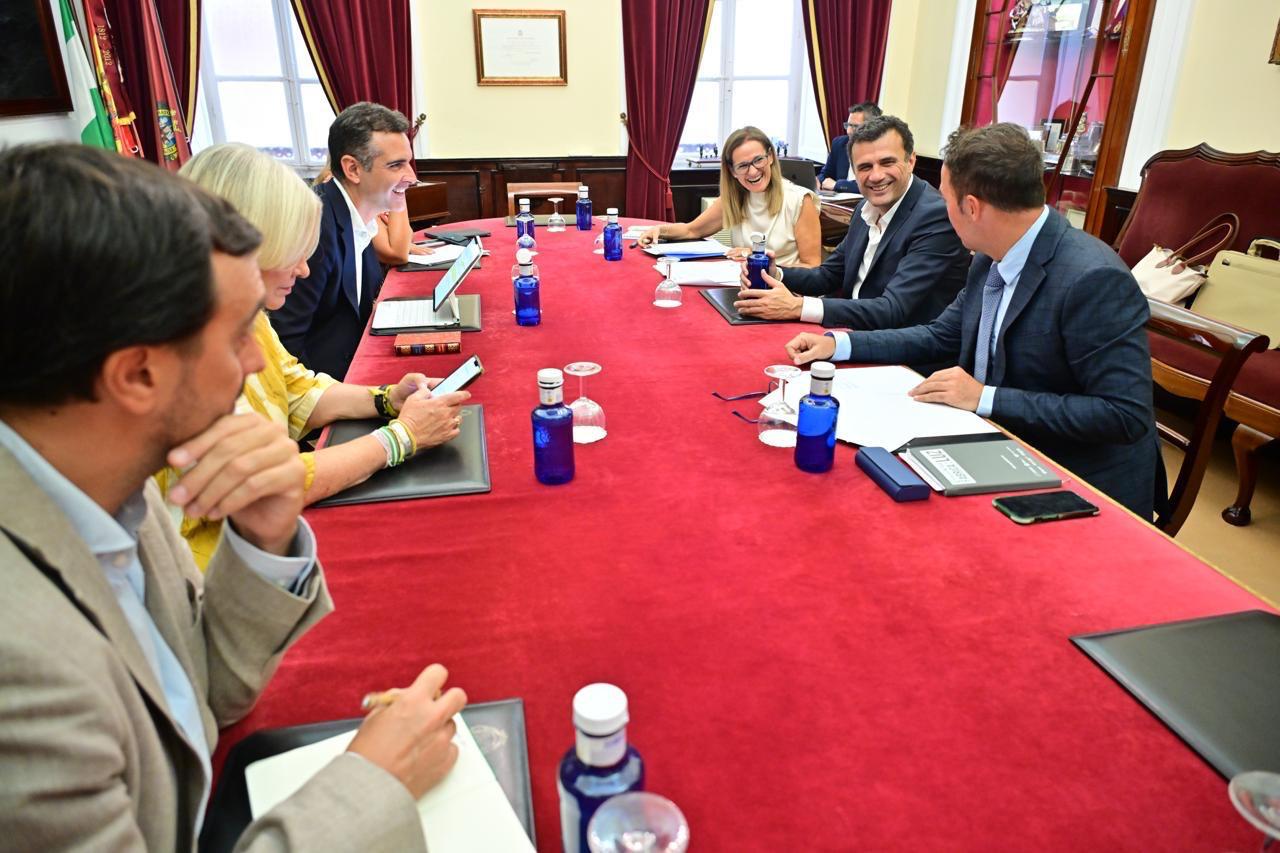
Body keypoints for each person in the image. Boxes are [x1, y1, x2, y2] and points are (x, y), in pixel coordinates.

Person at [0, 143, 463, 850]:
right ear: (136, 375)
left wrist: (263, 539)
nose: (257, 360)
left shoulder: (111, 483)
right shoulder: (23, 672)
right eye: (240, 333)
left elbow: (206, 696)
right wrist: (374, 781)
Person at [786, 124, 1158, 517]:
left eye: (946, 199)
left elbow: (1124, 414)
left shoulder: (1093, 279)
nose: (941, 208)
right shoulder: (990, 255)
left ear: (973, 207)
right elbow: (939, 335)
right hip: (990, 443)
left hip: (1073, 479)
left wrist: (984, 397)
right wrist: (838, 344)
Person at [162, 142, 469, 570]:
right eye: (292, 252)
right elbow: (267, 487)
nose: (304, 270)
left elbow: (295, 386)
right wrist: (402, 438)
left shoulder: (242, 312)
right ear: (245, 246)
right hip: (223, 574)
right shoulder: (172, 356)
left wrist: (385, 399)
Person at [735, 115, 969, 330]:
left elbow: (893, 309)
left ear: (911, 161)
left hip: (902, 357)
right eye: (865, 167)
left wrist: (797, 307)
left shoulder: (935, 217)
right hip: (849, 333)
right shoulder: (864, 209)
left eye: (887, 163)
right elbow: (828, 275)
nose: (876, 176)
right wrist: (776, 273)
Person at [271, 101, 418, 379]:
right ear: (352, 169)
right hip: (323, 394)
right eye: (396, 165)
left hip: (351, 374)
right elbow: (286, 345)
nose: (411, 177)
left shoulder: (358, 216)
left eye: (408, 162)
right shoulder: (315, 228)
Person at [636, 126, 821, 267]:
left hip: (787, 294)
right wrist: (659, 230)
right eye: (743, 166)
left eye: (758, 160)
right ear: (732, 171)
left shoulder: (800, 200)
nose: (753, 171)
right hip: (742, 287)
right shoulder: (734, 198)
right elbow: (692, 230)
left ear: (771, 157)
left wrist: (759, 260)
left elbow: (813, 268)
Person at [315, 161, 432, 266]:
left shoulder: (375, 189)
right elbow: (397, 254)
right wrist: (399, 187)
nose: (412, 177)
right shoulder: (340, 186)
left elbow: (406, 236)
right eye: (396, 164)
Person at [817, 101, 882, 193]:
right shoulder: (839, 144)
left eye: (855, 126)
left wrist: (838, 185)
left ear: (872, 127)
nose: (849, 131)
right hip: (839, 203)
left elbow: (873, 185)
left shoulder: (880, 149)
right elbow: (826, 174)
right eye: (848, 125)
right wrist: (818, 180)